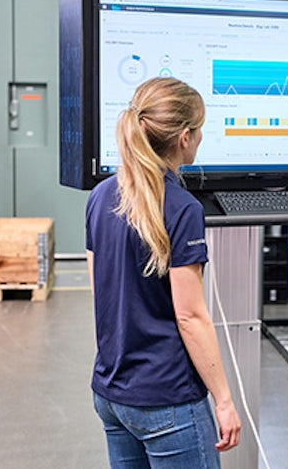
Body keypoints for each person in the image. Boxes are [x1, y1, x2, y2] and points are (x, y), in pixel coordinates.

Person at [86, 77, 241, 468]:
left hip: (112, 394)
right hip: (166, 401)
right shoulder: (182, 207)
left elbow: (99, 290)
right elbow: (190, 317)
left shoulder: (100, 196)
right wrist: (223, 400)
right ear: (185, 137)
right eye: (201, 128)